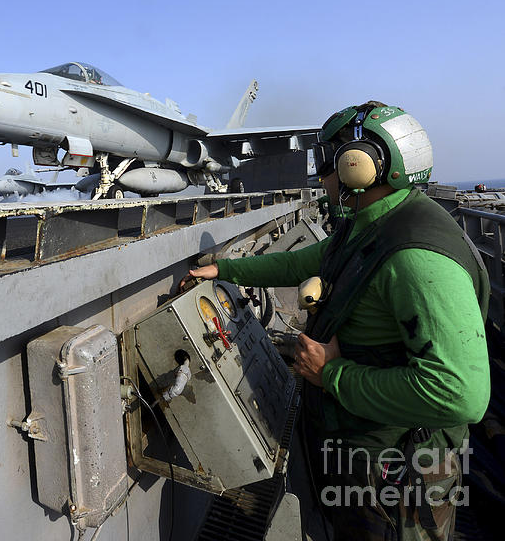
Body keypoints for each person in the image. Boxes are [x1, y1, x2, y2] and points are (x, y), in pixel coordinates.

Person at [186, 102, 489, 540]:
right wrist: (227, 270)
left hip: (395, 476)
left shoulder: (416, 256)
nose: (321, 175)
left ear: (358, 165)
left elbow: (461, 396)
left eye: (327, 161)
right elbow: (303, 262)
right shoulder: (370, 225)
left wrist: (332, 376)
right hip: (361, 460)